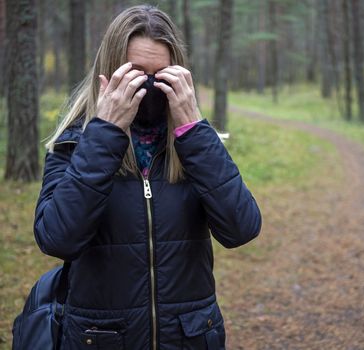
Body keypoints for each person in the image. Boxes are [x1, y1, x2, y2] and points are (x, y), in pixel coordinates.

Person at [33, 5, 262, 350]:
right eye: (137, 75)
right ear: (109, 74)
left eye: (162, 75)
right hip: (102, 339)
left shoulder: (191, 142)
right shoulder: (74, 141)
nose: (150, 88)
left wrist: (194, 131)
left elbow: (241, 228)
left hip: (189, 337)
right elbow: (57, 239)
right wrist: (105, 134)